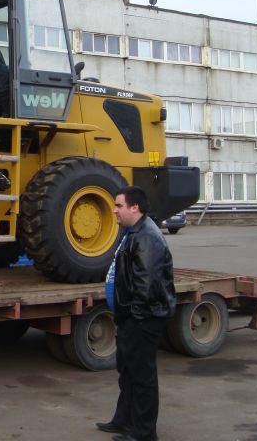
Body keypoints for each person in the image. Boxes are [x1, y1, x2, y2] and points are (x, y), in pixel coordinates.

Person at [97, 186, 177, 441]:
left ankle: (144, 434)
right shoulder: (135, 232)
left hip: (143, 319)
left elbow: (147, 286)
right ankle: (124, 420)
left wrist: (134, 318)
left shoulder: (147, 238)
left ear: (135, 207)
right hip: (132, 317)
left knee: (142, 377)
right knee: (129, 372)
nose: (114, 210)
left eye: (119, 205)